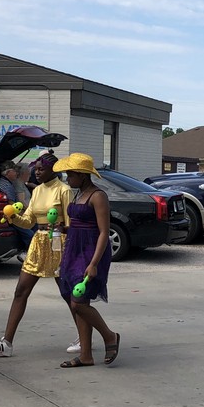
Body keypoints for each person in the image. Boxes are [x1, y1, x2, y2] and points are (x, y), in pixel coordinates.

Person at [0, 153, 73, 357]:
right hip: (38, 242)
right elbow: (28, 221)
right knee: (21, 290)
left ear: (53, 169)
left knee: (68, 294)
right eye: (36, 169)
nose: (36, 172)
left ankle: (84, 337)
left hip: (59, 243)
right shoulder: (38, 190)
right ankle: (6, 342)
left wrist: (61, 227)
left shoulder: (64, 191)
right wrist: (12, 217)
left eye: (41, 169)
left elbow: (72, 224)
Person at [52, 153, 120, 368]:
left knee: (78, 302)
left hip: (92, 251)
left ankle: (110, 336)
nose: (67, 177)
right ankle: (86, 355)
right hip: (74, 248)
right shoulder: (78, 193)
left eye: (70, 174)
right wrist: (64, 229)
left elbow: (103, 232)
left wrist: (93, 263)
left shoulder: (98, 196)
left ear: (82, 175)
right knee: (76, 301)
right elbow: (79, 224)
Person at [0, 160, 35, 251]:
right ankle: (28, 255)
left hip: (15, 214)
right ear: (8, 172)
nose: (16, 173)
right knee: (30, 234)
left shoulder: (8, 183)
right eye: (14, 171)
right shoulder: (6, 185)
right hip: (12, 216)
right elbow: (11, 204)